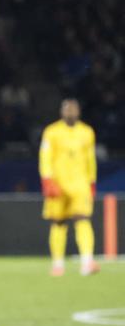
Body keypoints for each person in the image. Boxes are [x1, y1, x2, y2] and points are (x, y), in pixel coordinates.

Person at [39, 98, 99, 276]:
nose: (70, 112)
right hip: (58, 184)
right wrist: (47, 180)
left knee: (83, 219)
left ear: (78, 111)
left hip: (80, 184)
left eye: (73, 109)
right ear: (62, 111)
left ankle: (87, 262)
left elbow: (90, 159)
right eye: (67, 109)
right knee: (58, 222)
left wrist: (92, 181)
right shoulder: (52, 131)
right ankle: (58, 264)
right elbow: (45, 157)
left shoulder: (87, 132)